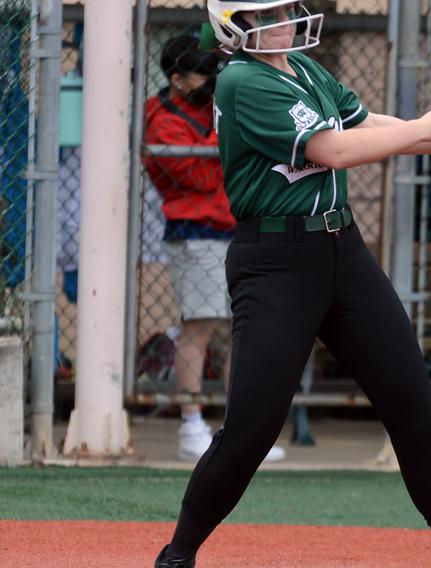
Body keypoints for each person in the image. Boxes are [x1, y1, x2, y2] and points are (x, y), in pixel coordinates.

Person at [154, 2, 431, 567]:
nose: (285, 21)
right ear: (233, 23)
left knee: (410, 400)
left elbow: (366, 127)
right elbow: (334, 149)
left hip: (343, 254)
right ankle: (178, 554)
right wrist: (426, 129)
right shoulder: (243, 81)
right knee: (251, 430)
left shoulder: (301, 67)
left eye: (283, 9)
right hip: (275, 264)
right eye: (265, 14)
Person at [145, 34, 285, 464]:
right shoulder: (162, 117)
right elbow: (201, 178)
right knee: (200, 327)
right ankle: (192, 425)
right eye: (202, 74)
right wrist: (228, 145)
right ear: (177, 79)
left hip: (236, 227)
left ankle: (240, 433)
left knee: (242, 332)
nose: (210, 82)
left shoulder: (212, 108)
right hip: (196, 231)